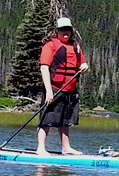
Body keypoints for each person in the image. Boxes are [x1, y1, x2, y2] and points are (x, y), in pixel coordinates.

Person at [36, 17, 89, 156]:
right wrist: (48, 91)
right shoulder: (50, 46)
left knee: (66, 120)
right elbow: (44, 68)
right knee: (46, 118)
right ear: (57, 31)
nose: (65, 32)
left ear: (71, 31)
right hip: (54, 88)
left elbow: (82, 65)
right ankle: (41, 148)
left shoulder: (76, 46)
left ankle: (66, 148)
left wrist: (85, 66)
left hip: (70, 90)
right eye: (62, 30)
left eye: (68, 30)